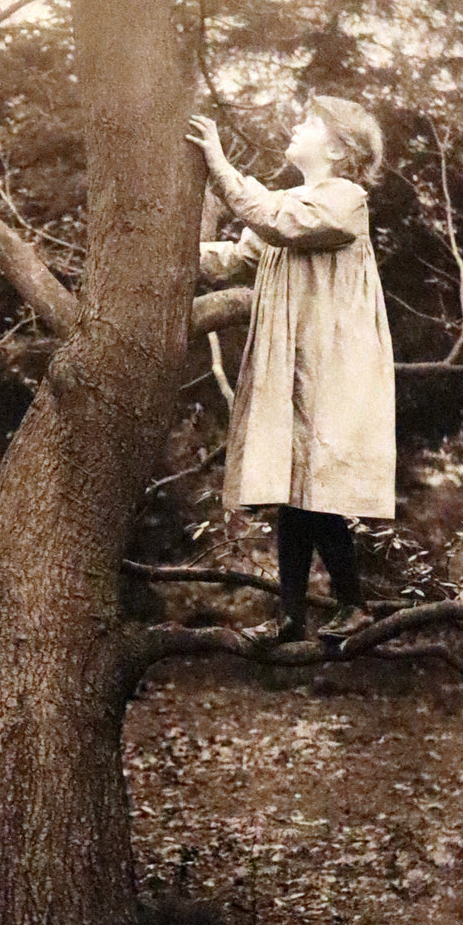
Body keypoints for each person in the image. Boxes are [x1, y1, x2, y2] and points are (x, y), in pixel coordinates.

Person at [186, 96, 395, 645]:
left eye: (310, 122)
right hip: (293, 362)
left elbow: (276, 222)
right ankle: (292, 617)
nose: (296, 127)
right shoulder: (287, 204)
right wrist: (167, 250)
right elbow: (236, 258)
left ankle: (351, 604)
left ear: (338, 150)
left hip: (329, 362)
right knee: (293, 485)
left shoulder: (345, 200)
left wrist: (221, 167)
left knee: (314, 485)